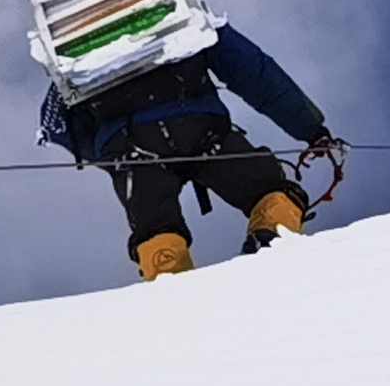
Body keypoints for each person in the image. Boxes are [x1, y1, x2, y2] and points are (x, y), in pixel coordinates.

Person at [41, 24, 339, 282]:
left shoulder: (71, 43)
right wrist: (311, 129)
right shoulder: (181, 7)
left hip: (129, 147)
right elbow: (253, 71)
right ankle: (270, 242)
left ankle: (171, 289)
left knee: (155, 229)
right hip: (201, 126)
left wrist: (111, 155)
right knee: (269, 189)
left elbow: (56, 124)